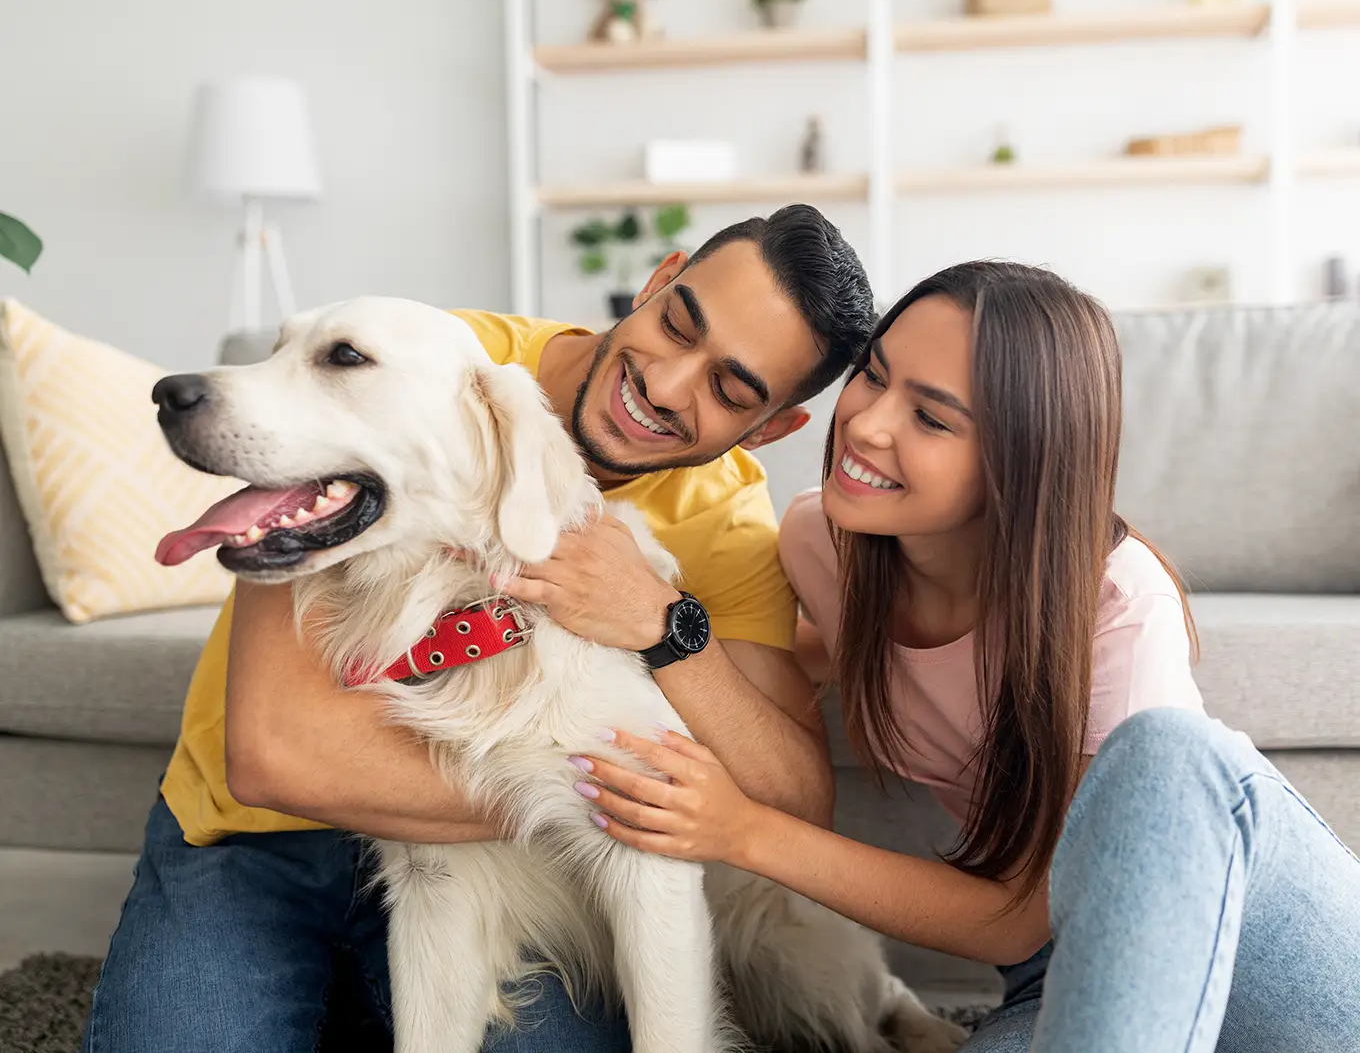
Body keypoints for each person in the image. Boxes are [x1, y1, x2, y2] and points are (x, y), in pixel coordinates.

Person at [83, 204, 878, 1053]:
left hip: (505, 865)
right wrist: (608, 800)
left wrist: (662, 623)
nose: (667, 383)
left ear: (768, 429)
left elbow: (789, 800)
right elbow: (275, 757)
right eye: (678, 322)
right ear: (657, 279)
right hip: (257, 835)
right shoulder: (422, 357)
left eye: (730, 389)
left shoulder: (724, 515)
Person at [570, 261, 1360, 1053]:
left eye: (933, 419)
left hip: (1253, 943)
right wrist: (646, 620)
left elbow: (1021, 915)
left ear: (1021, 458)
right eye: (873, 377)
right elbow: (773, 672)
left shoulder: (1117, 602)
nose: (869, 425)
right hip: (1055, 980)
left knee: (1167, 753)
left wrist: (742, 831)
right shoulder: (827, 547)